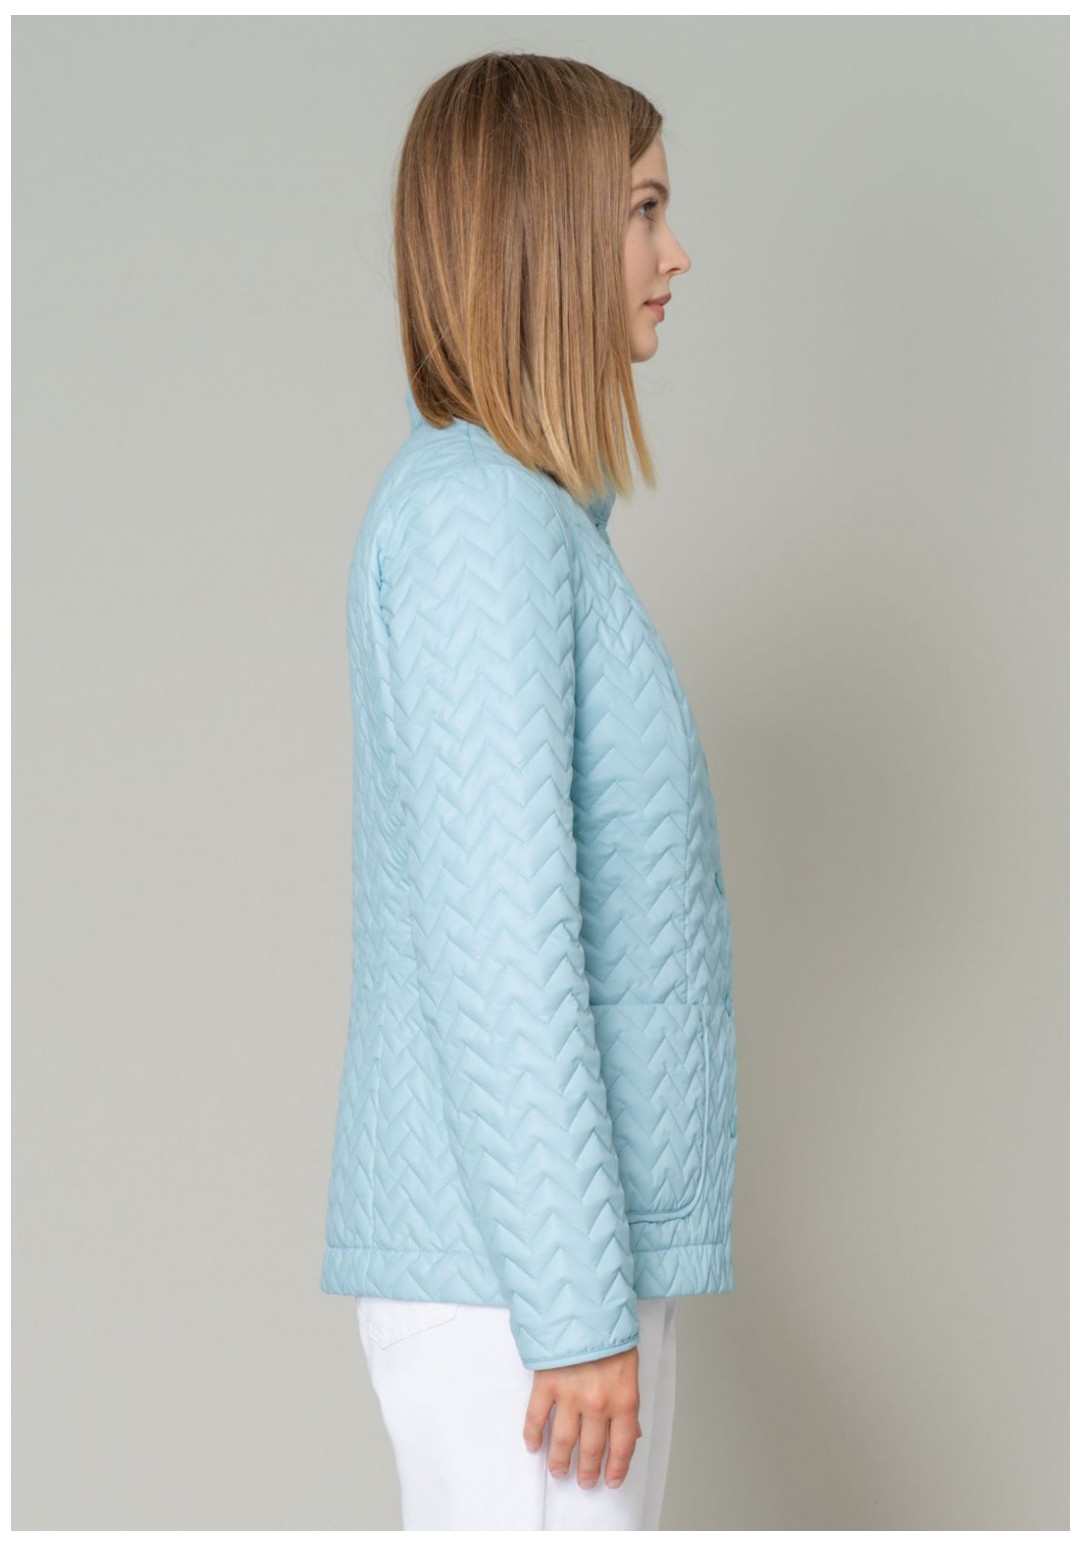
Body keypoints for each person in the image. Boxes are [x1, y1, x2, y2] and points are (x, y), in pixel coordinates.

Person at [320, 50, 739, 1531]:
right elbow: (501, 951)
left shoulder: (525, 522)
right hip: (520, 1290)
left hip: (539, 1274)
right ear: (547, 232)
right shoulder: (479, 528)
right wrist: (573, 1308)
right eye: (643, 210)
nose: (676, 254)